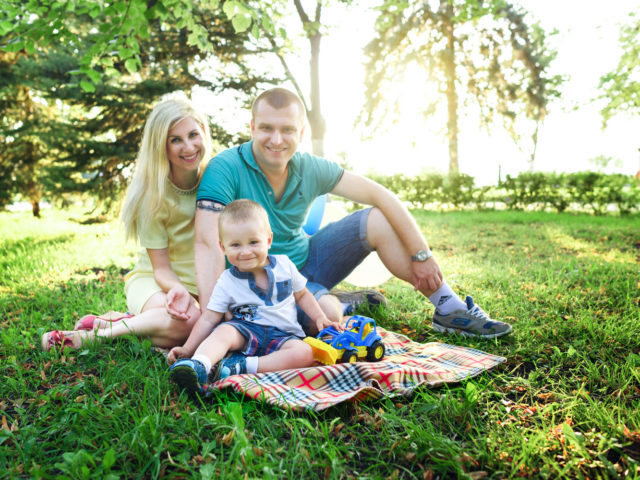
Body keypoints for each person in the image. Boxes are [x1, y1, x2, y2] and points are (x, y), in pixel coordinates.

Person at [194, 87, 512, 338]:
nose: (276, 140)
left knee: (377, 217)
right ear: (252, 127)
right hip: (261, 280)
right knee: (326, 320)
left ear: (301, 133)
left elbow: (380, 195)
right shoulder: (225, 168)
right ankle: (342, 302)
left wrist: (422, 254)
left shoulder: (311, 167)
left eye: (287, 130)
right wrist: (216, 318)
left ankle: (448, 307)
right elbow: (207, 243)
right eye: (266, 128)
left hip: (311, 260)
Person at [41, 93, 214, 351]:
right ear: (161, 146)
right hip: (157, 284)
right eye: (175, 140)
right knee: (190, 325)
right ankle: (90, 338)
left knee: (212, 328)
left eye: (192, 135)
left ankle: (119, 322)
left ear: (203, 133)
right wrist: (178, 290)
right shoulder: (153, 196)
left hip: (200, 288)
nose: (188, 147)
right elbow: (161, 269)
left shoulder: (216, 179)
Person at [167, 199, 341, 394]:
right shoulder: (227, 280)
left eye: (253, 242)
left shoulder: (284, 265)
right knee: (223, 332)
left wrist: (319, 317)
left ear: (268, 240)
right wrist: (187, 348)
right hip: (244, 330)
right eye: (235, 245)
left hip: (283, 335)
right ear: (223, 248)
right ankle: (199, 364)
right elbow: (209, 318)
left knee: (305, 353)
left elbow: (302, 295)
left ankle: (240, 367)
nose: (245, 252)